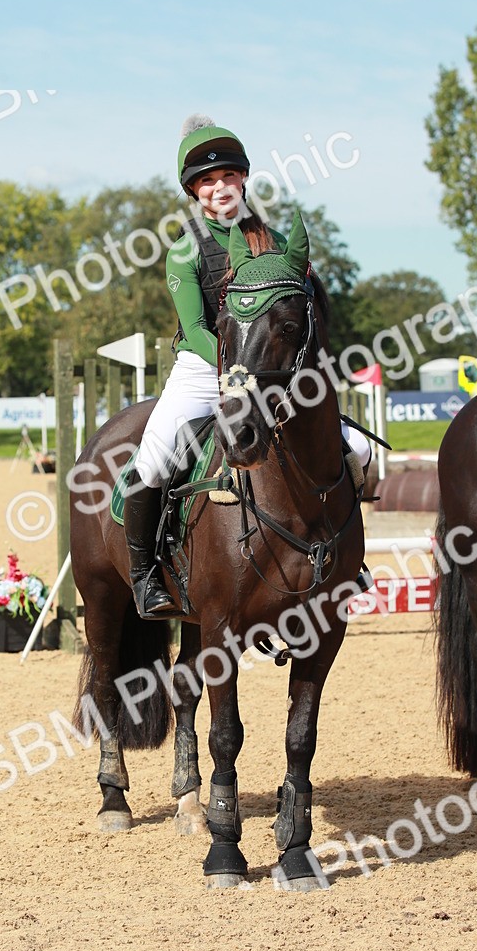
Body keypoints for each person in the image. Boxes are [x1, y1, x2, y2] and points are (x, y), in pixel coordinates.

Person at [123, 115, 370, 618]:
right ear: (194, 191)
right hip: (203, 366)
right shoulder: (184, 250)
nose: (219, 188)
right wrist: (230, 367)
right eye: (207, 181)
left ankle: (345, 556)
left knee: (357, 449)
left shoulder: (275, 241)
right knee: (152, 458)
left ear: (242, 180)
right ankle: (146, 573)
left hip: (270, 371)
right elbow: (194, 327)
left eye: (227, 177)